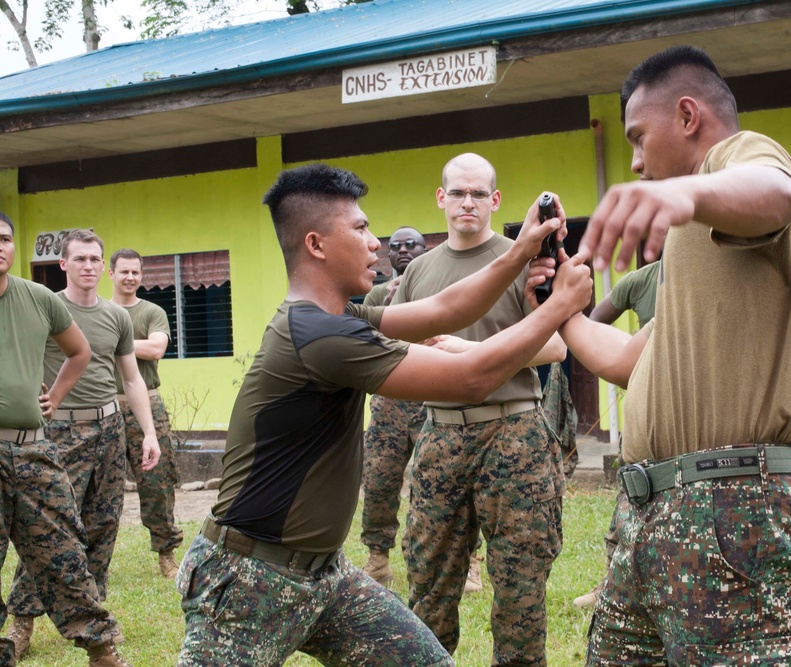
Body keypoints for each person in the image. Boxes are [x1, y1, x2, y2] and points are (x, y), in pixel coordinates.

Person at [175, 163, 592, 666]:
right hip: (251, 576)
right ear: (316, 245)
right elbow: (471, 378)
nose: (377, 243)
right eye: (360, 228)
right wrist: (557, 307)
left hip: (325, 575)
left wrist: (522, 250)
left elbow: (441, 311)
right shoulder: (320, 336)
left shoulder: (338, 318)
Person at [551, 46, 791, 665]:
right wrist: (560, 311)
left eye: (638, 137)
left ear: (686, 116)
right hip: (650, 516)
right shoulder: (689, 238)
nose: (635, 159)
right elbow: (633, 362)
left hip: (733, 511)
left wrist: (686, 195)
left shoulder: (741, 158)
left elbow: (777, 191)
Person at [396, 153, 569, 666]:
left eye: (478, 194)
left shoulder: (524, 259)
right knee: (428, 585)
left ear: (494, 200)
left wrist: (466, 353)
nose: (467, 202)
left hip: (513, 431)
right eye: (457, 193)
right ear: (441, 198)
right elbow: (398, 350)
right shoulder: (419, 272)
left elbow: (556, 345)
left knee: (520, 587)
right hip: (440, 435)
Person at [7, 230, 160, 658]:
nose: (89, 266)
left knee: (103, 525)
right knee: (48, 529)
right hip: (58, 433)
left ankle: (93, 617)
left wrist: (147, 433)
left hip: (109, 429)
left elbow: (131, 378)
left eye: (95, 259)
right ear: (64, 264)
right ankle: (22, 621)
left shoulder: (117, 316)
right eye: (80, 260)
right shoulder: (46, 306)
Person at [572, 260, 659, 608]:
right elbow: (592, 325)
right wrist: (635, 353)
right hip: (647, 404)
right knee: (631, 497)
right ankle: (611, 583)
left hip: (703, 413)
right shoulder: (642, 280)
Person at [108, 248, 185, 579]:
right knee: (101, 489)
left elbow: (156, 349)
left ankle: (166, 553)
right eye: (123, 271)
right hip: (106, 405)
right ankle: (96, 560)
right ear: (110, 273)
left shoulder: (153, 311)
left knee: (157, 483)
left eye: (135, 272)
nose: (129, 277)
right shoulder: (98, 310)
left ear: (141, 275)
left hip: (148, 405)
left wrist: (110, 340)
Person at [359, 226, 429, 588]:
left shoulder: (438, 287)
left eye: (410, 244)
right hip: (387, 399)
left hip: (432, 397)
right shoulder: (373, 294)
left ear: (425, 249)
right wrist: (386, 306)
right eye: (395, 246)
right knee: (379, 480)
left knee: (439, 482)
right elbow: (358, 339)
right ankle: (378, 559)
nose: (403, 250)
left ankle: (470, 561)